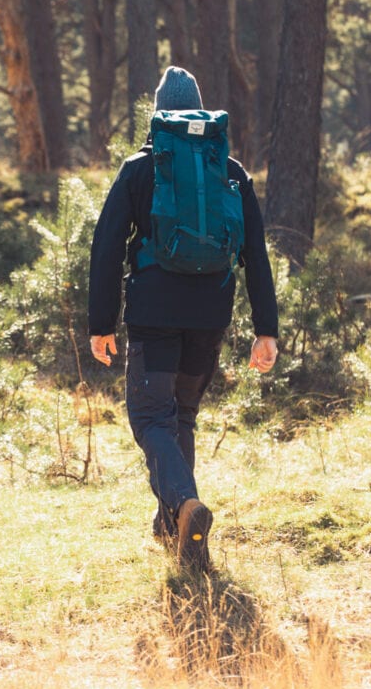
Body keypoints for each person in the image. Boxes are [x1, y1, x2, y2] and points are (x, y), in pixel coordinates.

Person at [86, 66, 279, 572]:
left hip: (154, 314)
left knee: (151, 418)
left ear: (157, 115)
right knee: (182, 416)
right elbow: (254, 253)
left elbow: (106, 246)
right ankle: (175, 529)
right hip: (211, 313)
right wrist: (267, 329)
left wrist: (100, 323)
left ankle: (183, 507)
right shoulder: (230, 171)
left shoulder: (139, 169)